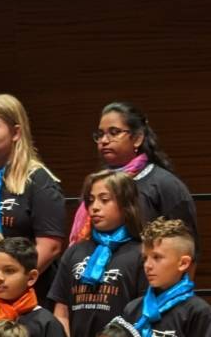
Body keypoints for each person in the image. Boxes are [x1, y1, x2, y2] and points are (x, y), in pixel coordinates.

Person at [50, 170, 147, 337]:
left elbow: (142, 317)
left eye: (104, 200)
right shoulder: (75, 252)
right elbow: (61, 311)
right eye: (90, 200)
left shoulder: (141, 254)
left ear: (126, 204)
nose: (94, 207)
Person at [0, 93, 66, 300]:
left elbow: (50, 246)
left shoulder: (38, 180)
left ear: (16, 132)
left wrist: (13, 284)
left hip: (27, 293)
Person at [70, 102, 198, 249]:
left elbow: (187, 247)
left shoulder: (164, 184)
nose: (104, 141)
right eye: (100, 135)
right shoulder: (97, 184)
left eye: (114, 132)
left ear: (137, 138)